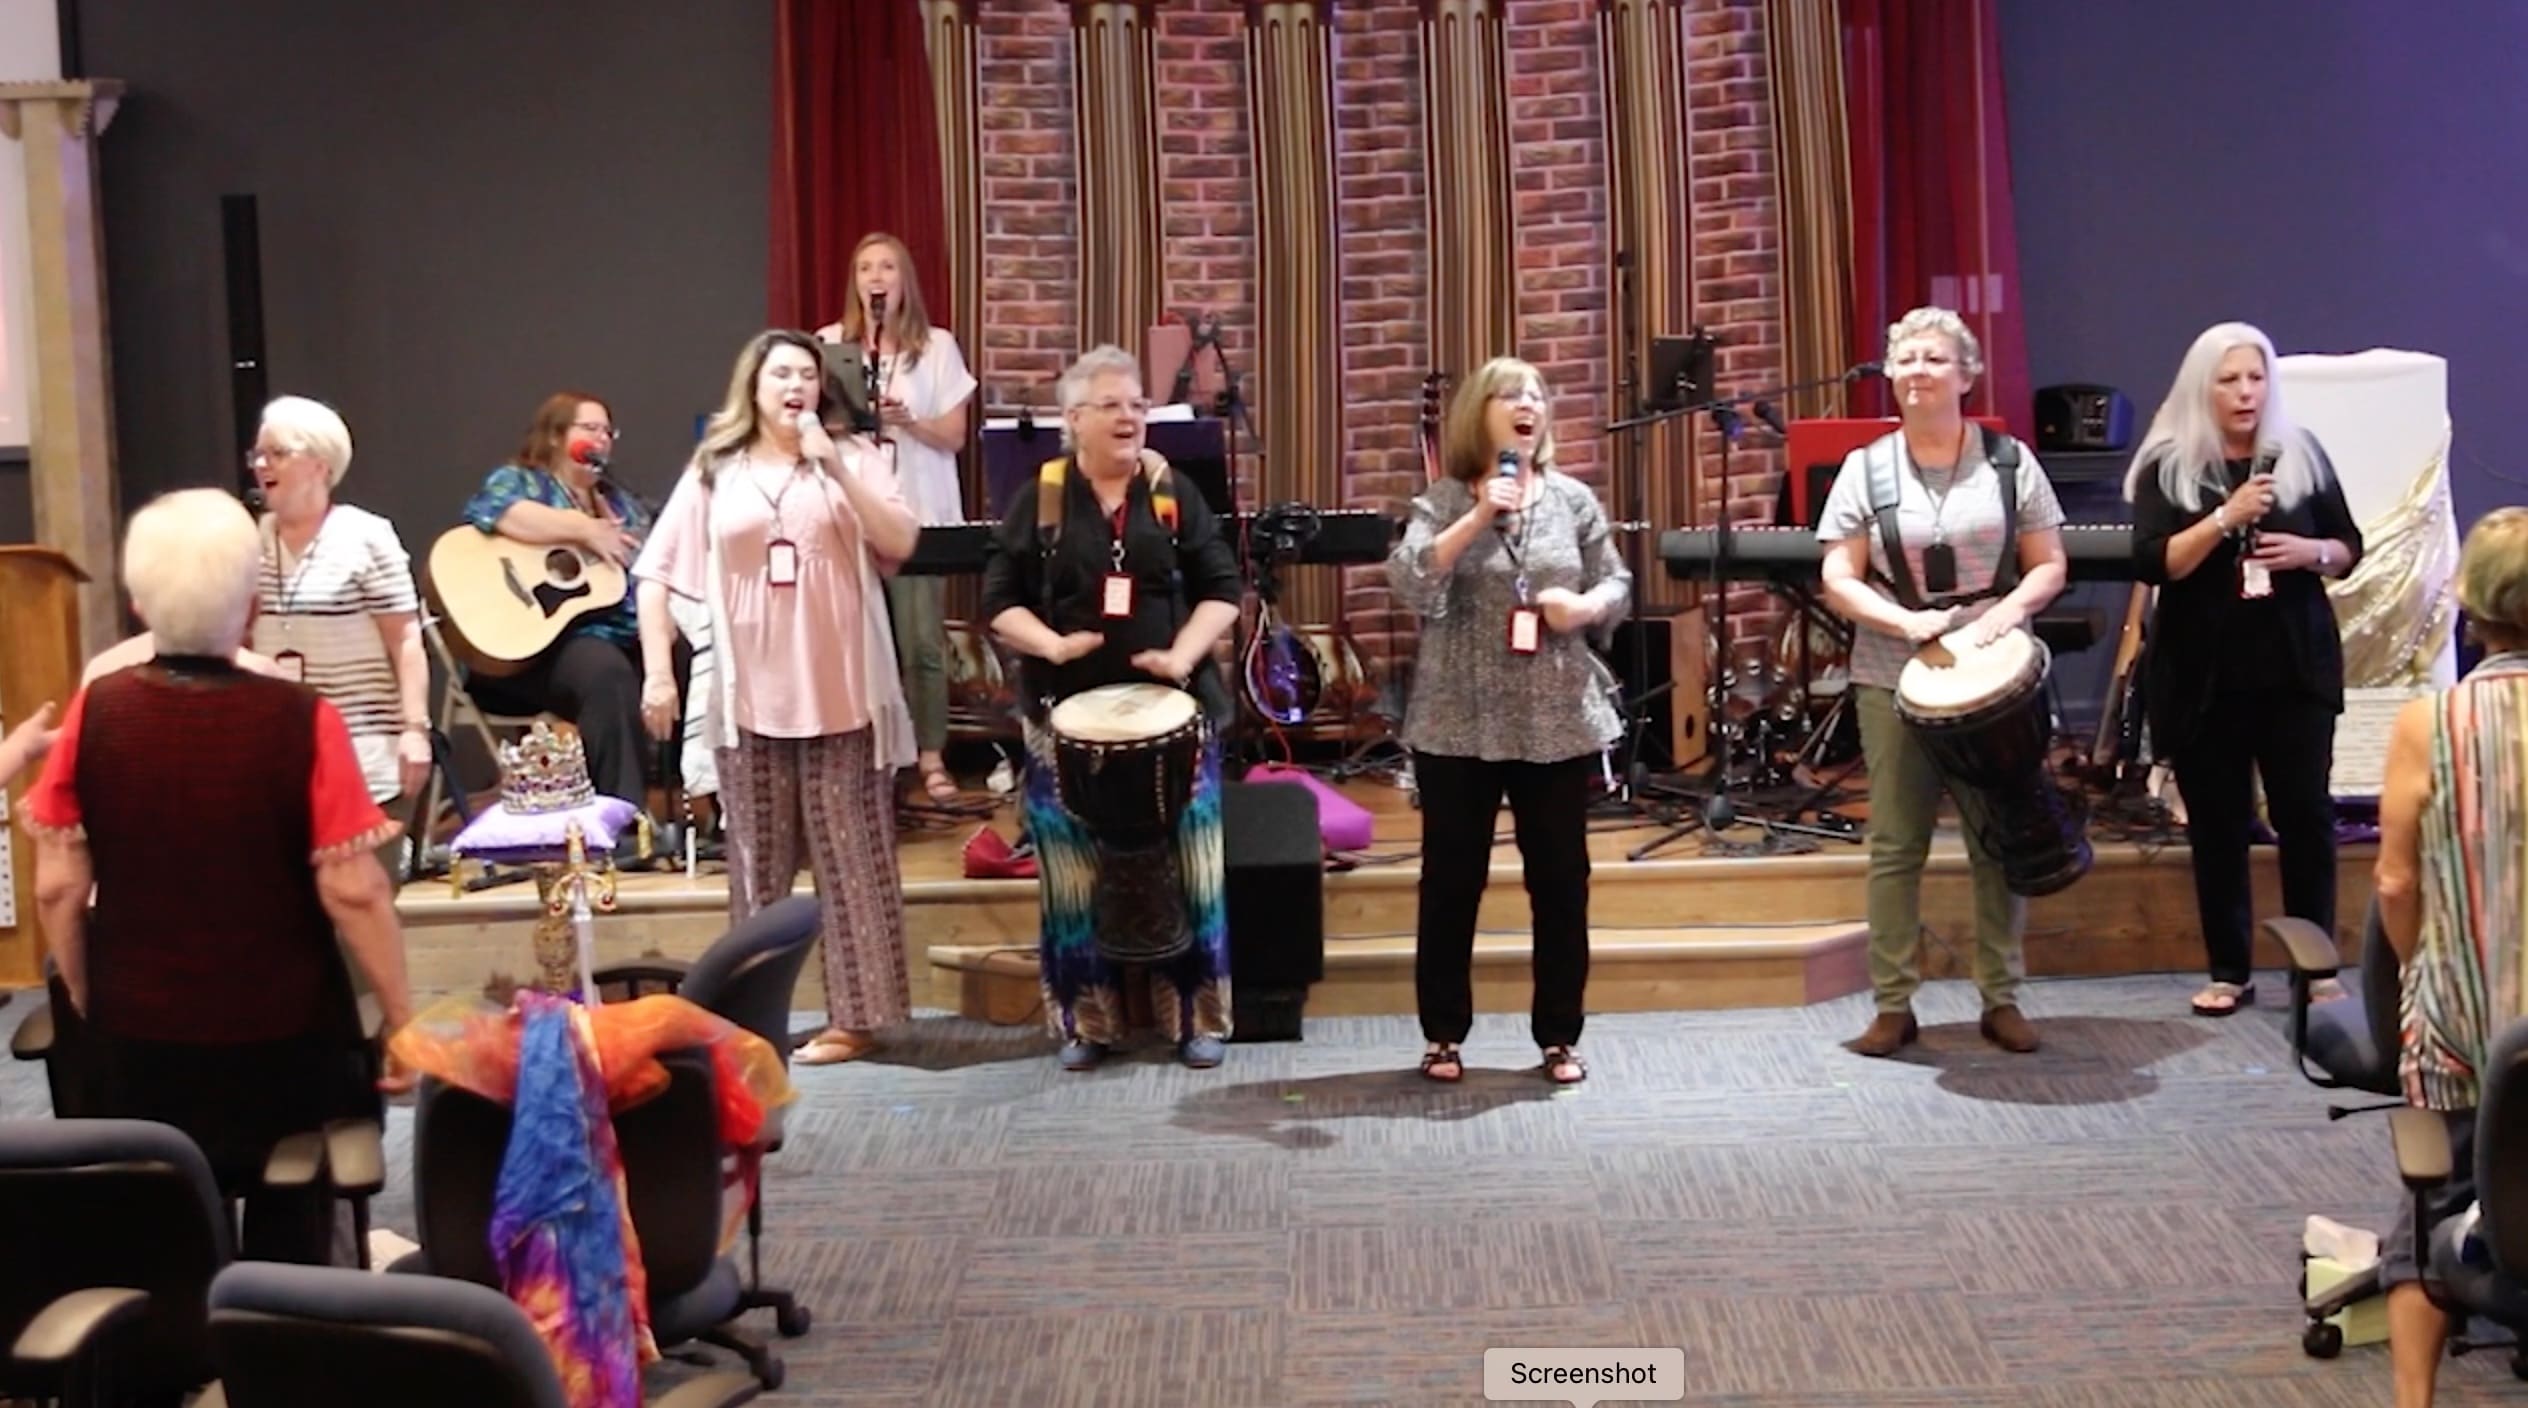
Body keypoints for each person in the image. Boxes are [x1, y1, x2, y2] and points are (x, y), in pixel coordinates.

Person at [19, 489, 415, 1263]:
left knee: (154, 1212)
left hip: (138, 1057)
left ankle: (166, 1338)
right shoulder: (302, 719)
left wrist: (83, 996)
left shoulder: (97, 712)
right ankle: (286, 1324)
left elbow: (58, 885)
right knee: (308, 1157)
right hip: (283, 1056)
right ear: (253, 603)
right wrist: (400, 1018)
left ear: (138, 604)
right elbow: (354, 890)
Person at [635, 332, 920, 1067]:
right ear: (753, 387)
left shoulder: (853, 458)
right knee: (757, 870)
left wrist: (834, 465)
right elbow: (656, 573)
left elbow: (901, 540)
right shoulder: (715, 471)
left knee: (853, 865)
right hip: (750, 699)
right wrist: (659, 673)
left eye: (807, 375)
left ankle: (858, 1019)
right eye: (780, 373)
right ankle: (750, 1024)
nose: (795, 385)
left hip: (844, 695)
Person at [978, 344, 1241, 1071]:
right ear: (1073, 420)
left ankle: (1196, 1016)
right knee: (1070, 871)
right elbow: (998, 602)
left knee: (1195, 865)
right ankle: (1086, 1023)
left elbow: (1222, 587)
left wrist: (1183, 656)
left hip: (1178, 713)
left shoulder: (1169, 488)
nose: (1130, 417)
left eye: (1137, 404)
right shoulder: (1046, 495)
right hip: (1062, 715)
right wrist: (1054, 648)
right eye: (1112, 405)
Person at [1817, 306, 2067, 1057]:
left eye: (1933, 359)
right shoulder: (1866, 467)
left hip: (1993, 674)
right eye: (1905, 359)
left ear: (1966, 375)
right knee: (1897, 843)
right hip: (1892, 672)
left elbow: (2049, 563)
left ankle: (2003, 996)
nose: (1917, 371)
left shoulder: (2011, 461)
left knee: (1999, 836)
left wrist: (2010, 609)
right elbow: (1838, 574)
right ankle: (1893, 1003)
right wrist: (1902, 623)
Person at [1385, 356, 1630, 1086]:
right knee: (1451, 883)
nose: (1528, 405)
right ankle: (1443, 1036)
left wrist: (1586, 609)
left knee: (1561, 884)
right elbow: (1408, 578)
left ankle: (1559, 1035)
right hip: (1458, 718)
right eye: (1510, 395)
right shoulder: (1440, 500)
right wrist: (1479, 515)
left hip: (1553, 716)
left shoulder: (1574, 500)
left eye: (1537, 395)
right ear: (1478, 414)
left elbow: (1614, 577)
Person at [2127, 322, 2363, 1017]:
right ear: (2204, 386)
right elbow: (2153, 562)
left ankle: (2316, 968)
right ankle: (2228, 968)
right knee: (2219, 827)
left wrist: (2312, 552)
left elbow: (2349, 544)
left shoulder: (2300, 453)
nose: (2245, 392)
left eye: (2256, 378)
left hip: (2293, 668)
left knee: (2306, 818)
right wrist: (2225, 518)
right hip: (2205, 676)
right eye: (2230, 379)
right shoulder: (2168, 465)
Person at [2374, 506, 2528, 1408]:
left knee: (2425, 1217)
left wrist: (2414, 977)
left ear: (2470, 603)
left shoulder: (2431, 722)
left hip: (2461, 1035)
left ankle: (2414, 1402)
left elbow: (2395, 886)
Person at [460, 391, 687, 820]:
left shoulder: (622, 505)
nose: (601, 439)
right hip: (529, 649)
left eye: (607, 431)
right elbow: (496, 510)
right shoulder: (522, 481)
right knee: (606, 673)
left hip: (616, 635)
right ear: (555, 434)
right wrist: (583, 529)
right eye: (589, 429)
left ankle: (690, 812)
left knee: (683, 659)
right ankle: (620, 819)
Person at [815, 232, 976, 804]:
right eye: (865, 268)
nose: (875, 277)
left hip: (919, 515)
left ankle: (931, 755)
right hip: (848, 515)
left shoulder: (935, 347)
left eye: (887, 267)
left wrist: (907, 420)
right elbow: (810, 429)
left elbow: (954, 436)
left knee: (921, 642)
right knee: (855, 642)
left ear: (904, 279)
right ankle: (866, 758)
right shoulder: (829, 346)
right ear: (855, 282)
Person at [243, 395, 433, 842]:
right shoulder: (247, 539)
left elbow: (405, 639)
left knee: (360, 895)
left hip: (364, 752)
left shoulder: (365, 536)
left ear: (319, 464)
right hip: (278, 753)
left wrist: (415, 729)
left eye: (278, 453)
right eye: (258, 454)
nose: (262, 465)